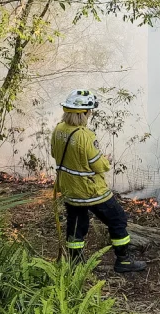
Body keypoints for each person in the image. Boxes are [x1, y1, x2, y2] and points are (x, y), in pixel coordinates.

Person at [51, 89, 147, 273]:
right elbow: (98, 166)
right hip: (91, 191)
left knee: (76, 225)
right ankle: (124, 260)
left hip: (70, 190)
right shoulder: (85, 136)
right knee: (118, 219)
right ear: (83, 113)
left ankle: (76, 264)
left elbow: (55, 154)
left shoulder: (58, 130)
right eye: (89, 111)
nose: (90, 114)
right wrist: (105, 160)